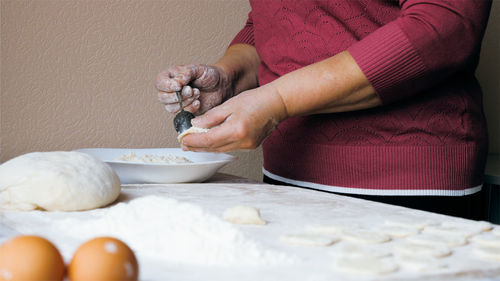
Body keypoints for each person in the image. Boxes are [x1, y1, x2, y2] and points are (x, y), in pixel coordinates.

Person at [156, 0, 492, 220]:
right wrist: (231, 75)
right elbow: (277, 21)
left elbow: (443, 26)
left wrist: (278, 101)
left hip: (405, 181)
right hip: (287, 177)